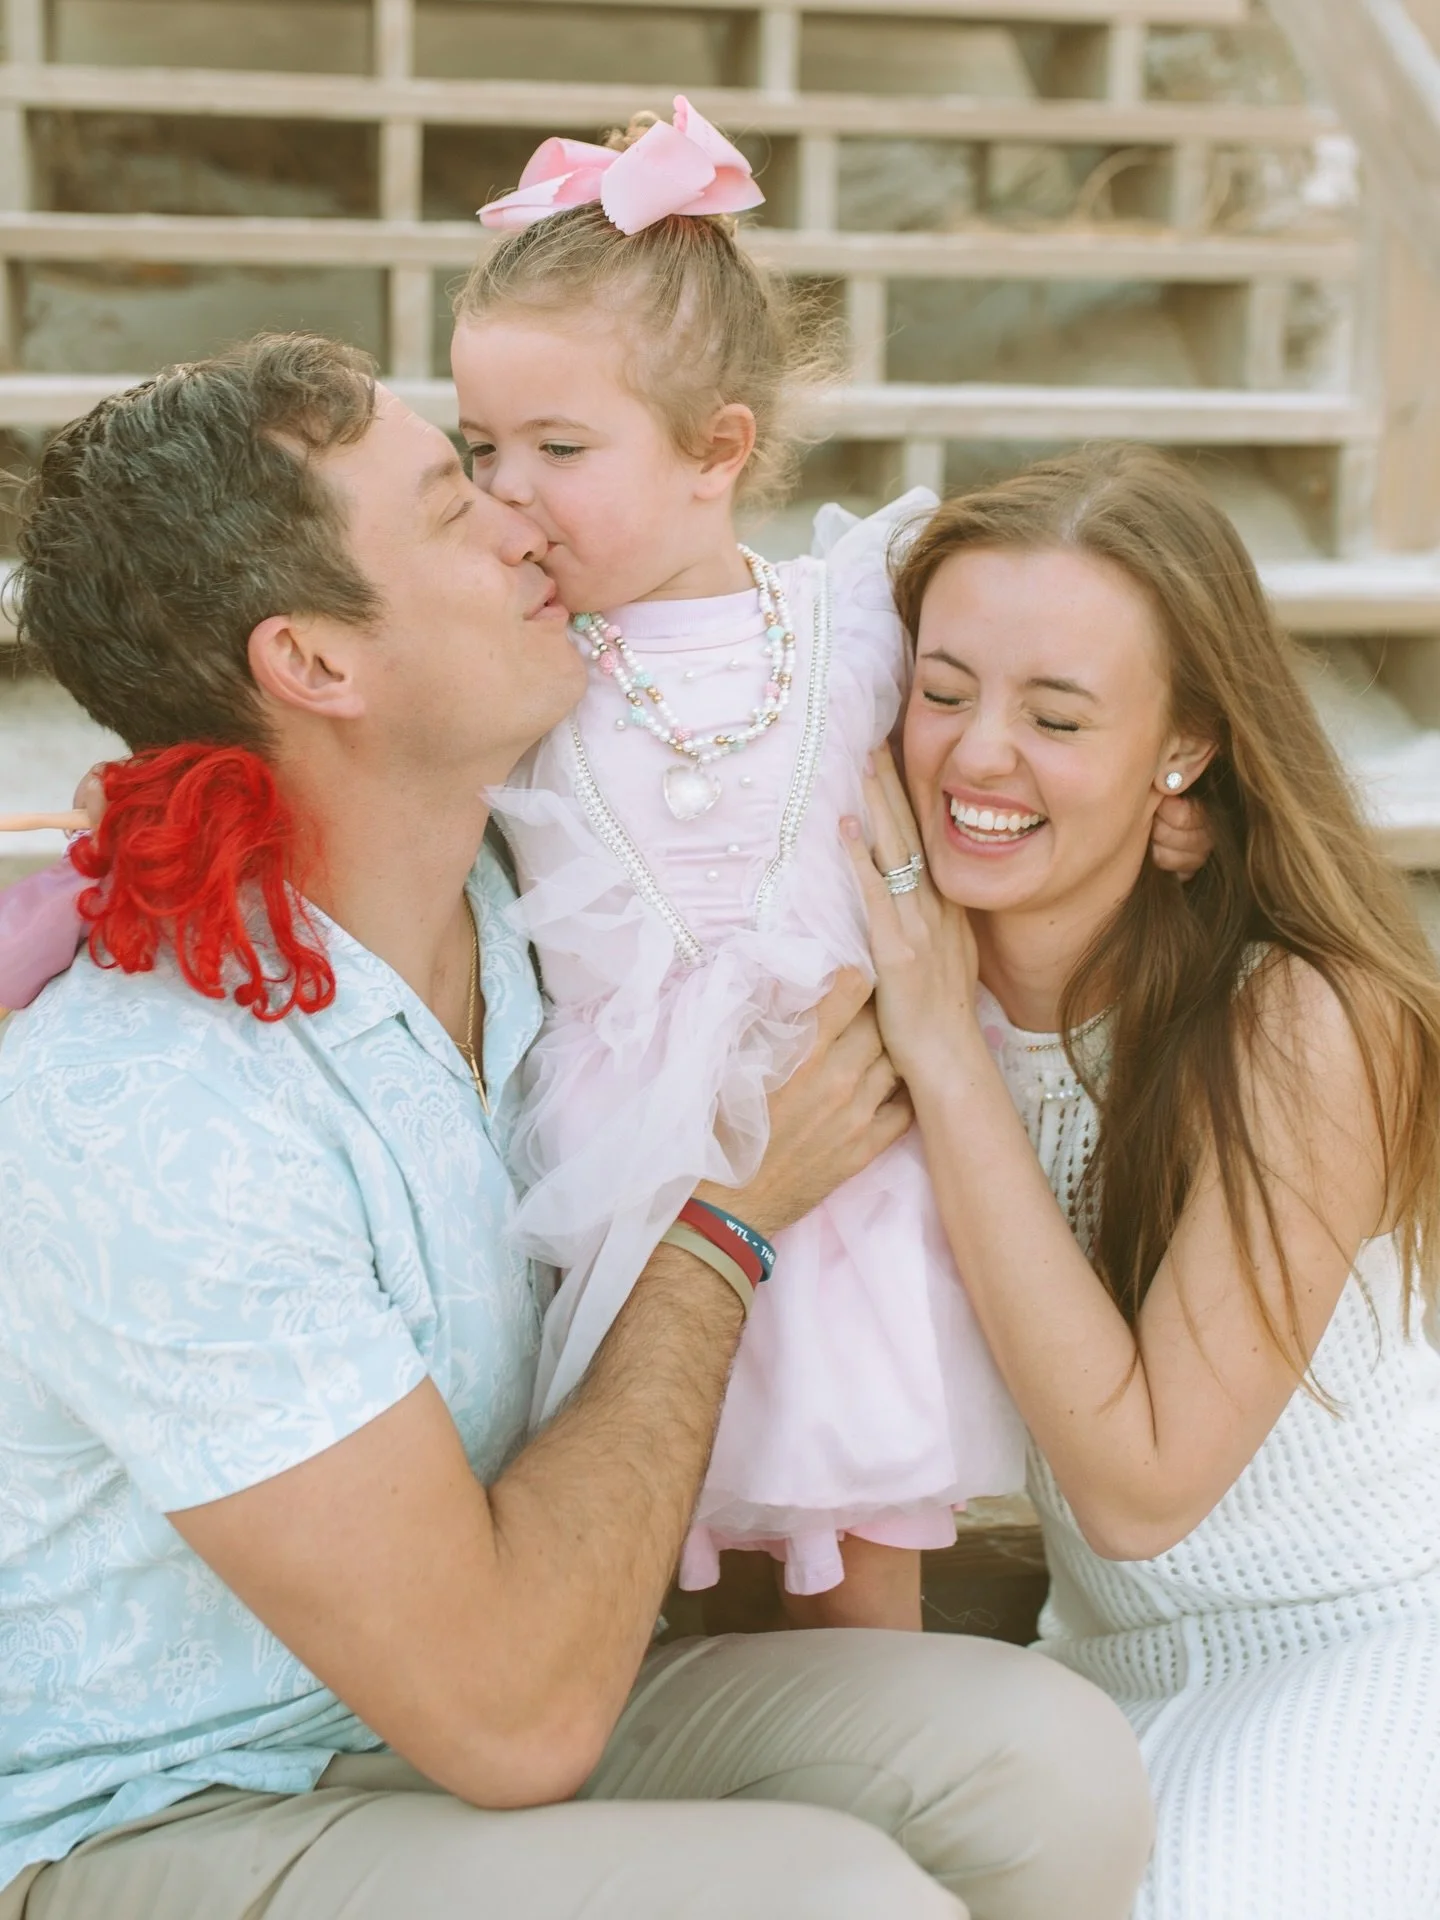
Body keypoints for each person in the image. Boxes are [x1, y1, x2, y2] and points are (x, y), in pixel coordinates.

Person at [0, 335, 1154, 1920]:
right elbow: (511, 1717)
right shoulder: (150, 1103)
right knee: (828, 1904)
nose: (521, 522)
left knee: (1043, 1768)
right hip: (172, 1805)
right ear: (317, 665)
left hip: (482, 1708)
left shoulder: (529, 901)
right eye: (448, 506)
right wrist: (726, 1226)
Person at [445, 96, 1206, 1624]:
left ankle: (872, 1799)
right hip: (626, 1178)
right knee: (617, 1542)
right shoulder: (516, 663)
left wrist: (1171, 818)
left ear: (718, 450)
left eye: (558, 446)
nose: (505, 488)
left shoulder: (853, 622)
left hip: (853, 1157)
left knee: (859, 1576)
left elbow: (1005, 760)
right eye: (478, 447)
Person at [847, 442, 1440, 1920]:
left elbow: (1140, 1487)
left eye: (1055, 716)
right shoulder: (896, 966)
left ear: (1183, 748)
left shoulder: (1304, 1019)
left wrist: (943, 1048)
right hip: (1085, 1677)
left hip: (1362, 1650)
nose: (979, 755)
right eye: (942, 692)